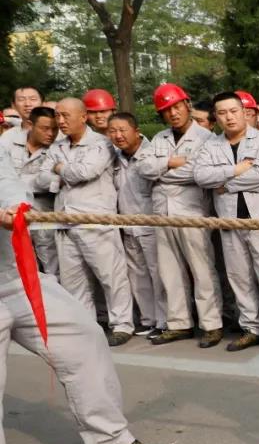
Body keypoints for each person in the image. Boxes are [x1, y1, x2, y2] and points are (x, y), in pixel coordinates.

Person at [0, 154, 167, 444]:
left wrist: (15, 205)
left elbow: (8, 181)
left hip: (16, 274)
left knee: (84, 336)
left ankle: (109, 440)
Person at [193, 92, 259, 355]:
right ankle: (252, 328)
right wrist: (235, 170)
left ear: (243, 112)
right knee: (240, 277)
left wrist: (224, 184)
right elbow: (201, 176)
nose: (229, 117)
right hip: (229, 222)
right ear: (216, 117)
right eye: (222, 113)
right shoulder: (211, 145)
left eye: (233, 111)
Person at [37, 97, 135, 346]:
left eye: (65, 115)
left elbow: (85, 172)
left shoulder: (101, 144)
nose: (60, 121)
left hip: (95, 221)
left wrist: (59, 170)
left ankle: (122, 324)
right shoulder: (57, 146)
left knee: (111, 276)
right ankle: (87, 326)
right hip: (64, 221)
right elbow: (39, 178)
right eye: (57, 115)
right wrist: (61, 175)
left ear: (83, 116)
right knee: (74, 280)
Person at [136, 83, 224, 348]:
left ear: (187, 105)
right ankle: (179, 323)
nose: (173, 113)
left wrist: (161, 172)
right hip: (162, 214)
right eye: (166, 110)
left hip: (192, 212)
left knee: (202, 271)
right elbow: (143, 167)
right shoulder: (160, 139)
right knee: (169, 271)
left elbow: (197, 173)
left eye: (176, 106)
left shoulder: (207, 138)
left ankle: (211, 324)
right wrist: (169, 163)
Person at [108, 112, 166, 338]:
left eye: (123, 130)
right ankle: (149, 319)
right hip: (127, 224)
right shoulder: (115, 157)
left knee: (159, 274)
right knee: (137, 275)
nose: (118, 135)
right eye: (113, 131)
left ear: (136, 130)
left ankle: (165, 321)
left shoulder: (152, 153)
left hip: (150, 223)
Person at [6, 107, 59, 276]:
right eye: (45, 128)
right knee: (17, 260)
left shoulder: (57, 149)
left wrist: (18, 183)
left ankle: (53, 299)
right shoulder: (9, 141)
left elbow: (53, 181)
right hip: (12, 210)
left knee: (50, 259)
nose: (50, 133)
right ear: (30, 125)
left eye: (54, 129)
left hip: (43, 209)